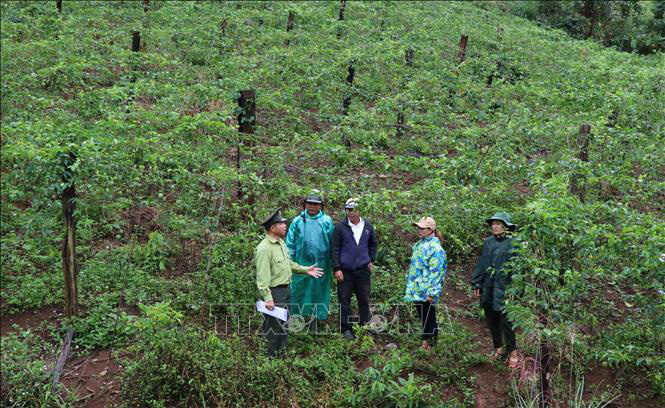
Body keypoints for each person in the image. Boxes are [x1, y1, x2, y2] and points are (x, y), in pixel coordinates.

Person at [255, 208, 323, 357]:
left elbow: (289, 264)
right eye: (282, 223)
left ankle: (282, 356)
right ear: (273, 228)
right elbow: (262, 278)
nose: (285, 225)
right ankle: (271, 358)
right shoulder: (264, 249)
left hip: (286, 290)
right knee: (274, 327)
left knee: (284, 325)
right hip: (274, 293)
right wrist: (268, 298)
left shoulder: (281, 243)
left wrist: (305, 269)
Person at [471, 211, 519, 367]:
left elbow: (518, 269)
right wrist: (477, 283)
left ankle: (513, 352)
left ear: (506, 226)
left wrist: (516, 290)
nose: (494, 226)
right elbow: (482, 263)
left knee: (507, 321)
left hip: (505, 287)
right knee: (491, 318)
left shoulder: (514, 242)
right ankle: (498, 348)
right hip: (488, 286)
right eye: (493, 224)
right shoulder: (488, 242)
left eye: (498, 223)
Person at [285, 191, 334, 326]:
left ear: (320, 206)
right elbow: (290, 243)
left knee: (319, 291)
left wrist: (334, 264)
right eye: (310, 203)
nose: (312, 207)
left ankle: (317, 320)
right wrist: (290, 262)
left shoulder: (326, 221)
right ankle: (296, 318)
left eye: (316, 204)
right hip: (300, 263)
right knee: (298, 290)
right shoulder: (297, 221)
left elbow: (333, 243)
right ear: (305, 204)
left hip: (322, 263)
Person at [331, 198, 378, 340]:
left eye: (353, 210)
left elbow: (373, 244)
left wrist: (371, 259)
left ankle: (365, 326)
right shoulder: (340, 227)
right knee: (344, 299)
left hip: (363, 270)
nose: (350, 213)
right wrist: (336, 268)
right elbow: (334, 248)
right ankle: (346, 329)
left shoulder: (368, 226)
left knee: (363, 298)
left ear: (360, 210)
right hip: (345, 270)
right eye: (348, 210)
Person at [404, 217, 447, 352]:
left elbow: (437, 272)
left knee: (429, 316)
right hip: (417, 289)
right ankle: (426, 343)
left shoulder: (435, 248)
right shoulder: (420, 244)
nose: (419, 230)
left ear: (430, 230)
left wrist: (432, 292)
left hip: (427, 290)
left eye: (422, 228)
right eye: (419, 227)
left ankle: (430, 345)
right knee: (424, 316)